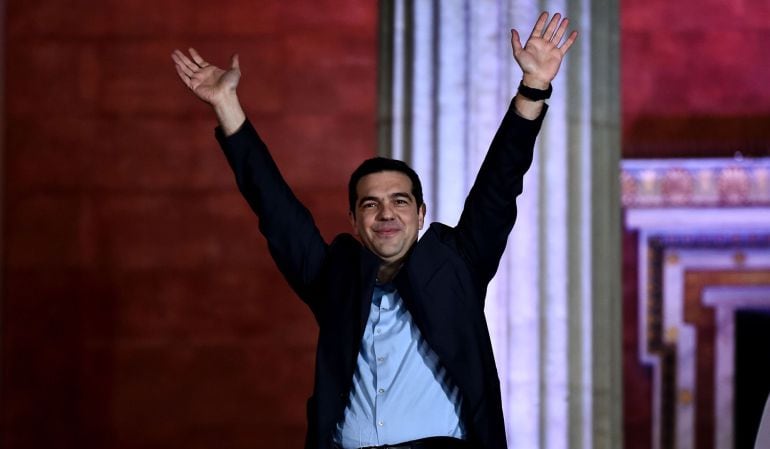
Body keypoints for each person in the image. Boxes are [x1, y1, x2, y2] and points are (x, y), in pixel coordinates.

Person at [172, 11, 576, 449]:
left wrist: (533, 87)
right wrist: (227, 105)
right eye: (371, 204)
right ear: (354, 222)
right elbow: (275, 210)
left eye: (400, 201)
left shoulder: (457, 264)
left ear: (421, 214)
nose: (386, 213)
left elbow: (499, 185)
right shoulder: (335, 277)